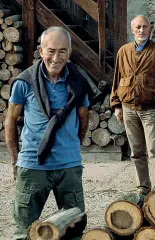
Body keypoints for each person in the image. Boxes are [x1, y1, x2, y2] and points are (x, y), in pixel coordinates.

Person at [5, 26, 91, 239]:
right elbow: (10, 121)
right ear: (41, 51)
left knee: (75, 230)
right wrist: (16, 160)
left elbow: (83, 119)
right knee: (23, 233)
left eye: (62, 51)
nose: (56, 57)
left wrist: (72, 147)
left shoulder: (78, 83)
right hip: (33, 167)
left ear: (69, 53)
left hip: (68, 168)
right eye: (51, 50)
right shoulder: (24, 82)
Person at [110, 15, 155, 195]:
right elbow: (117, 79)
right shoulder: (123, 51)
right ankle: (142, 186)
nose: (141, 30)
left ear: (150, 29)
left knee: (154, 149)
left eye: (144, 27)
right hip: (128, 108)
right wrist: (116, 105)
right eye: (137, 27)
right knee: (137, 151)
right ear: (132, 30)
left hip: (150, 108)